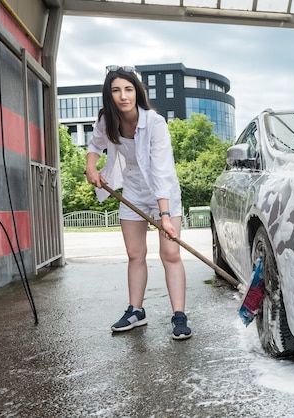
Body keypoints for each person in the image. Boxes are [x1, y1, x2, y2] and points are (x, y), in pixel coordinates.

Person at [85, 65, 191, 340]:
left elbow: (161, 171)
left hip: (163, 192)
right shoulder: (107, 120)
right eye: (116, 90)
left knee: (170, 254)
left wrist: (164, 215)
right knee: (135, 254)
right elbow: (95, 145)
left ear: (137, 92)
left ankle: (179, 316)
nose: (123, 96)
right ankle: (136, 311)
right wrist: (91, 167)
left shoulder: (154, 123)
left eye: (128, 89)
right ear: (109, 95)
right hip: (132, 189)